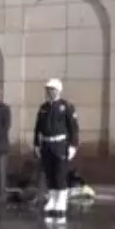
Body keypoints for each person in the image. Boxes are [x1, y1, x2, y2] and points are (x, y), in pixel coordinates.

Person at [33, 78, 79, 220]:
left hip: (60, 144)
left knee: (60, 173)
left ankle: (61, 201)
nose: (50, 92)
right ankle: (52, 199)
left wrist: (73, 145)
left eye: (52, 89)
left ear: (58, 90)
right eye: (48, 90)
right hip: (47, 144)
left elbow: (73, 128)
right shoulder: (43, 108)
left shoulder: (66, 106)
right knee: (50, 174)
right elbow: (38, 128)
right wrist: (36, 144)